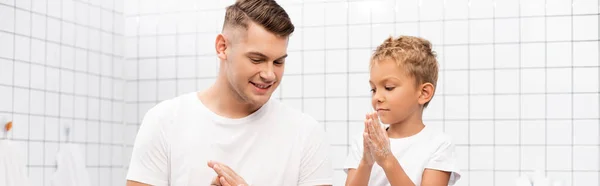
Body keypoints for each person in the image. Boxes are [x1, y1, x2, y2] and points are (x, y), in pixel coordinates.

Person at [125, 0, 333, 185]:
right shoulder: (164, 122)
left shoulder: (306, 134)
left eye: (278, 61)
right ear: (222, 47)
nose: (269, 74)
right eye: (257, 59)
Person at [344, 36, 461, 186]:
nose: (377, 97)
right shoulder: (365, 142)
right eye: (373, 89)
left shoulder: (438, 145)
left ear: (424, 93)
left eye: (389, 87)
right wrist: (366, 163)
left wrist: (387, 160)